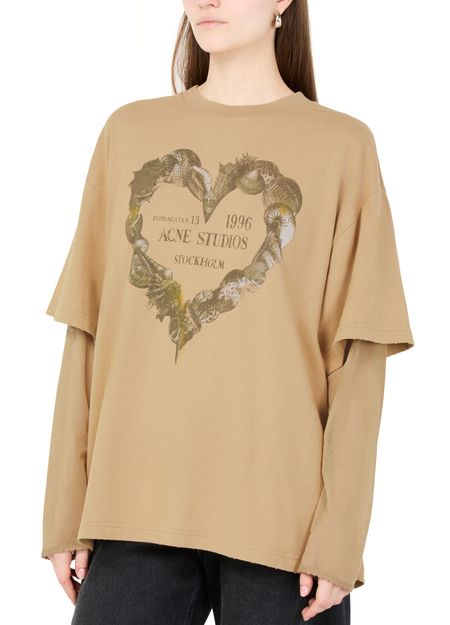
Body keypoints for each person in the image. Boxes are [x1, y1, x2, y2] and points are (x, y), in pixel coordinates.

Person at [40, 1, 415, 623]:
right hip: (133, 505)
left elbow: (359, 359)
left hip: (284, 529)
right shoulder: (128, 133)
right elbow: (88, 329)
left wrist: (340, 535)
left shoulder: (342, 147)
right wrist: (64, 508)